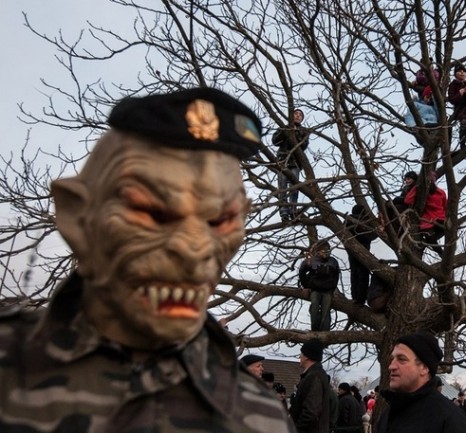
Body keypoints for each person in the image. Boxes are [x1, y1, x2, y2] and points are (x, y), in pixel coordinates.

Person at [0, 88, 295, 432]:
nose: (195, 248)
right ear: (76, 215)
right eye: (152, 212)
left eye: (220, 221)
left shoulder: (261, 418)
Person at [375, 332, 466, 433]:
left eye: (401, 359)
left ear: (424, 368)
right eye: (393, 359)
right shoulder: (388, 414)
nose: (391, 366)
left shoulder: (450, 418)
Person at [273, 108, 310, 221]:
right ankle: (284, 212)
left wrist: (295, 134)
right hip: (282, 160)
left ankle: (293, 211)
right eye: (296, 114)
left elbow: (304, 145)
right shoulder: (283, 127)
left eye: (300, 115)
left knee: (294, 188)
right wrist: (286, 132)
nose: (298, 116)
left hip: (295, 162)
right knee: (282, 186)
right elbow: (275, 141)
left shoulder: (304, 131)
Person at [299, 240, 341, 331]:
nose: (326, 253)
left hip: (327, 290)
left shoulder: (333, 262)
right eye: (324, 251)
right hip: (315, 289)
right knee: (314, 306)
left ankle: (325, 331)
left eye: (328, 250)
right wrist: (306, 286)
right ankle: (315, 329)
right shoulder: (312, 261)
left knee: (326, 310)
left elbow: (336, 276)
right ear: (318, 252)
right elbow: (302, 273)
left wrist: (333, 289)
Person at [290, 339, 331, 433]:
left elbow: (311, 411)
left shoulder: (315, 376)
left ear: (307, 357)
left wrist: (296, 428)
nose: (300, 356)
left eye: (301, 353)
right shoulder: (312, 375)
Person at [403, 173, 448, 255]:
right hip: (428, 220)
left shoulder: (441, 192)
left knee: (431, 238)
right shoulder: (421, 191)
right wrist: (416, 188)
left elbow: (446, 207)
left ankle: (443, 254)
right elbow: (407, 200)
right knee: (429, 238)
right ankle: (442, 254)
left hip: (440, 219)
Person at [345, 204, 379, 305]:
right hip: (363, 250)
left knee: (354, 273)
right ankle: (361, 299)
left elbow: (343, 235)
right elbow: (371, 236)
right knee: (363, 275)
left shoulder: (347, 220)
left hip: (351, 251)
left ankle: (355, 297)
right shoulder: (365, 222)